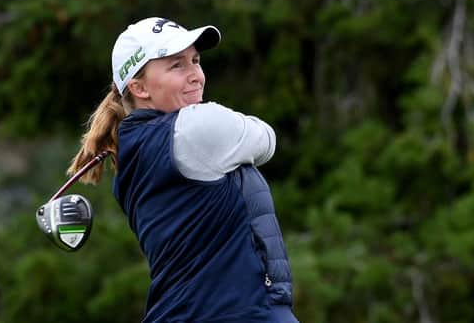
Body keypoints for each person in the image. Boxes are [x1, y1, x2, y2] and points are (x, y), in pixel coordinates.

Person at [68, 17, 300, 323]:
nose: (196, 76)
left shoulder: (133, 150)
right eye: (177, 65)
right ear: (139, 87)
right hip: (239, 313)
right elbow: (267, 139)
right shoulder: (193, 128)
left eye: (195, 61)